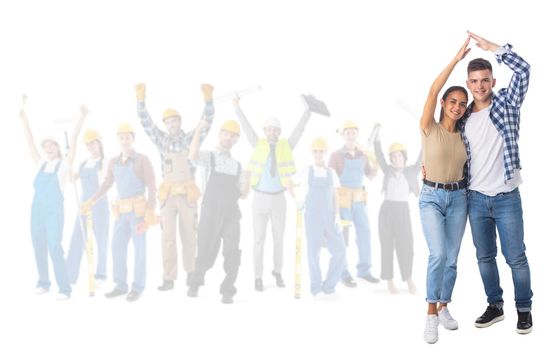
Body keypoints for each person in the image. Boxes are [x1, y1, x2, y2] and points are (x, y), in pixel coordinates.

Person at [459, 32, 533, 334]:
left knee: (515, 256)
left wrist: (494, 48)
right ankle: (495, 305)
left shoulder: (506, 102)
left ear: (492, 81)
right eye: (474, 81)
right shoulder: (462, 116)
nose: (480, 86)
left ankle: (524, 310)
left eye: (485, 80)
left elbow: (524, 70)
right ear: (468, 84)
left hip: (506, 197)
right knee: (484, 256)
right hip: (475, 199)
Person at [135, 83, 214, 291]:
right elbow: (145, 123)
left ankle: (191, 274)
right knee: (167, 238)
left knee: (189, 236)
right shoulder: (161, 140)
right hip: (168, 197)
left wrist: (208, 100)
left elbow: (206, 121)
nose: (171, 125)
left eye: (174, 121)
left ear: (180, 122)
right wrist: (141, 100)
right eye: (168, 122)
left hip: (188, 196)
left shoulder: (190, 139)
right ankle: (168, 278)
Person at [419, 36, 471, 344]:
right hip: (431, 197)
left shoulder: (464, 135)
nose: (457, 107)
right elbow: (432, 89)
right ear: (444, 104)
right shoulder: (429, 127)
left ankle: (443, 307)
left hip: (459, 198)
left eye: (462, 104)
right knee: (437, 254)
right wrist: (455, 60)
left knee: (452, 258)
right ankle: (429, 315)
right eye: (453, 102)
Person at [233, 95, 313, 291]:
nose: (272, 132)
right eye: (269, 129)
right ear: (264, 131)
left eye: (276, 130)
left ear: (279, 132)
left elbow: (299, 131)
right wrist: (237, 108)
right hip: (259, 198)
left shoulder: (286, 145)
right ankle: (258, 276)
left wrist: (307, 112)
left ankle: (277, 272)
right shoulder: (258, 143)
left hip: (279, 198)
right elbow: (246, 127)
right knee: (258, 239)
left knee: (279, 238)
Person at [82, 122, 157, 302]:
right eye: (121, 137)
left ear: (133, 139)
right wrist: (91, 201)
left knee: (139, 249)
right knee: (116, 246)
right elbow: (107, 184)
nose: (125, 140)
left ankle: (137, 287)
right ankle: (120, 285)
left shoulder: (142, 159)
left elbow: (152, 186)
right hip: (121, 213)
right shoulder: (114, 162)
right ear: (117, 140)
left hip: (138, 212)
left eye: (128, 137)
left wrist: (150, 211)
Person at [187, 120, 250, 304]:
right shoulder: (210, 156)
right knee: (205, 250)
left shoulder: (238, 165)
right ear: (220, 134)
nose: (229, 138)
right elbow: (192, 156)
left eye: (233, 136)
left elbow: (242, 195)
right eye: (226, 134)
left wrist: (248, 181)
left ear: (236, 140)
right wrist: (198, 129)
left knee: (232, 251)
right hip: (211, 210)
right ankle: (195, 282)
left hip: (231, 213)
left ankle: (228, 290)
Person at [19, 95, 74, 300]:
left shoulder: (64, 166)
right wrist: (24, 118)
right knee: (38, 245)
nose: (48, 148)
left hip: (54, 213)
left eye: (52, 145)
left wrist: (80, 122)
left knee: (54, 246)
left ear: (58, 147)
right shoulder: (40, 163)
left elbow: (74, 143)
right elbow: (29, 141)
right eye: (46, 146)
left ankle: (65, 288)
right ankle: (44, 282)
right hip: (37, 211)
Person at [290, 137, 346, 298]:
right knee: (313, 252)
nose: (318, 154)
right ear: (312, 152)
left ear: (325, 152)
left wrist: (337, 215)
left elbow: (336, 195)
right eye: (316, 151)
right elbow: (289, 182)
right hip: (312, 218)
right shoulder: (307, 170)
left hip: (329, 217)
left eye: (321, 151)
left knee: (340, 250)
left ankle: (329, 286)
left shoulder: (331, 173)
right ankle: (316, 288)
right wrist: (296, 199)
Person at [369, 124, 420, 294]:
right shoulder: (388, 171)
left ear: (404, 157)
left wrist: (426, 134)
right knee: (387, 245)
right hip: (387, 211)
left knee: (406, 245)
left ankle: (408, 279)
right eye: (394, 157)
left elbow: (423, 156)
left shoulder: (412, 171)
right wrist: (376, 136)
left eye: (399, 156)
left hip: (403, 211)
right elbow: (379, 155)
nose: (396, 159)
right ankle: (389, 280)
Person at [329, 120, 379, 287]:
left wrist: (376, 164)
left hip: (359, 200)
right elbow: (330, 180)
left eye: (353, 132)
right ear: (343, 136)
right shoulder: (336, 156)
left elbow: (371, 176)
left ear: (357, 135)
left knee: (365, 233)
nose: (351, 135)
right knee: (343, 237)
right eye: (347, 133)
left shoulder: (363, 155)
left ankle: (364, 271)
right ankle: (343, 273)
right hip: (342, 200)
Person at [66, 106, 110, 286]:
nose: (91, 146)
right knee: (78, 237)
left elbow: (107, 185)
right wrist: (69, 164)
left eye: (94, 143)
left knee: (101, 239)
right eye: (88, 144)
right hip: (83, 205)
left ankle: (100, 275)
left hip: (100, 204)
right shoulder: (84, 162)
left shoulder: (105, 162)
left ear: (99, 143)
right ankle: (69, 276)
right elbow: (71, 179)